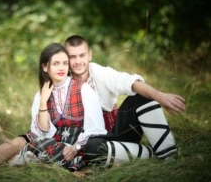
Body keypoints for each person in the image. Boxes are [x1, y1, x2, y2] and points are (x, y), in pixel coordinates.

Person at [0, 43, 108, 172]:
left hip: (74, 146)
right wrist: (43, 102)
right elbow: (42, 132)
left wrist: (75, 147)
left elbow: (96, 128)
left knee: (38, 146)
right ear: (45, 67)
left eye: (65, 63)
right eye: (56, 64)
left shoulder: (83, 89)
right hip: (49, 140)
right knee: (17, 143)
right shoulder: (41, 95)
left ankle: (16, 160)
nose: (61, 68)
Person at [64, 35, 186, 166]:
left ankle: (168, 153)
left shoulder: (100, 72)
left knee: (141, 96)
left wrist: (160, 97)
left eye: (82, 55)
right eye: (72, 57)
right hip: (89, 141)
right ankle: (152, 154)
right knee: (92, 147)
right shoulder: (62, 82)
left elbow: (130, 82)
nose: (78, 61)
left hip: (116, 132)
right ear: (66, 59)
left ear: (90, 55)